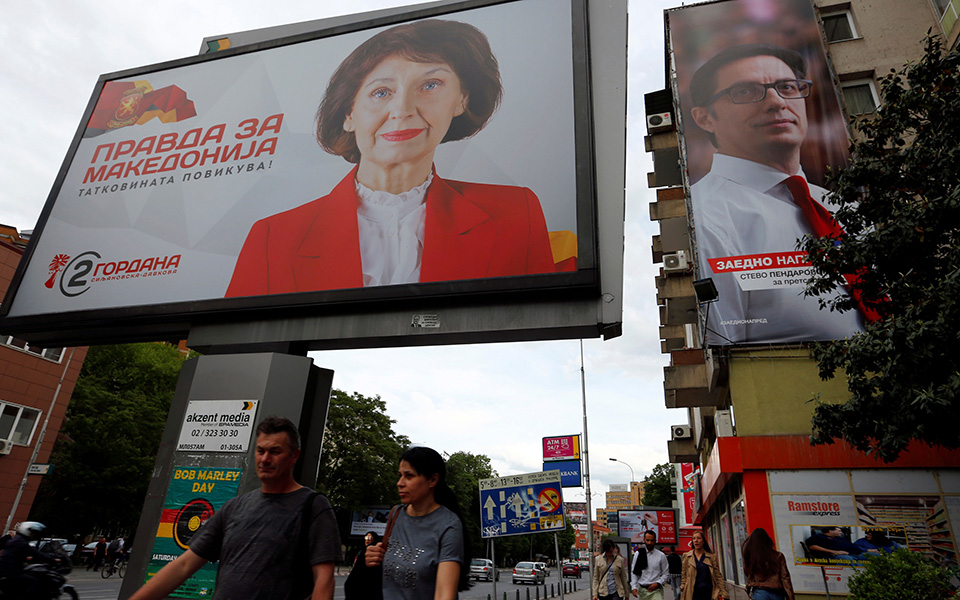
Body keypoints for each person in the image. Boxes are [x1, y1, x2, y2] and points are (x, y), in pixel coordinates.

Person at [226, 19, 558, 298]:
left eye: (430, 84)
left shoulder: (516, 213)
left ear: (461, 100)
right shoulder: (274, 237)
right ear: (349, 115)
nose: (402, 111)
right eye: (381, 92)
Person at [687, 43, 864, 344]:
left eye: (787, 87)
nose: (777, 102)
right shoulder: (703, 218)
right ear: (705, 118)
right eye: (745, 91)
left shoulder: (841, 208)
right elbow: (720, 356)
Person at [129, 416, 342, 600]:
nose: (265, 459)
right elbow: (184, 565)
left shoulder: (313, 506)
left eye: (275, 452)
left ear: (294, 456)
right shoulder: (234, 507)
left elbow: (324, 580)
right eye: (260, 451)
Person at [365, 446, 470, 600]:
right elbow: (383, 559)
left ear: (433, 480)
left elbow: (444, 594)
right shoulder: (396, 514)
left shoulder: (449, 525)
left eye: (409, 476)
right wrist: (373, 556)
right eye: (400, 475)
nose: (399, 483)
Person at [0, 521, 59, 598]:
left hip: (6, 567)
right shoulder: (21, 542)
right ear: (26, 531)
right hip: (11, 570)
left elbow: (16, 554)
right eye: (33, 533)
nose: (33, 535)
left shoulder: (17, 539)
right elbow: (35, 553)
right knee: (34, 582)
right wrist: (52, 559)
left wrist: (27, 558)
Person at [741, 528, 794, 600]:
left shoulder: (751, 557)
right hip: (777, 594)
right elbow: (785, 578)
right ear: (767, 540)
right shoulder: (778, 556)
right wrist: (790, 596)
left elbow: (747, 573)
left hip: (760, 593)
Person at [680, 531, 726, 600]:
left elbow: (717, 575)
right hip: (692, 593)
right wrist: (683, 586)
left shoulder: (711, 557)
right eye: (694, 539)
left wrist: (723, 592)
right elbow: (684, 574)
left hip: (708, 593)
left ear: (703, 541)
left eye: (699, 538)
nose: (696, 540)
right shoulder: (687, 556)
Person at [630, 530, 670, 600]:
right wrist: (634, 587)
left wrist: (658, 583)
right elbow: (634, 572)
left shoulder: (661, 555)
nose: (649, 543)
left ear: (655, 541)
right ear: (644, 540)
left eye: (652, 540)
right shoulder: (638, 554)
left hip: (656, 590)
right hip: (643, 590)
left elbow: (666, 573)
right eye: (647, 540)